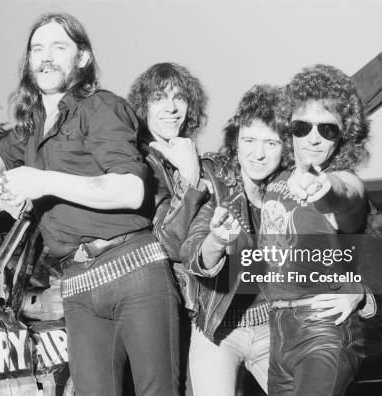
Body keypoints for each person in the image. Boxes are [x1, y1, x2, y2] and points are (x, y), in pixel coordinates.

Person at [0, 13, 179, 396]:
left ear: (82, 59)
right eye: (37, 49)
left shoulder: (101, 108)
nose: (46, 57)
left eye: (59, 47)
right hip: (76, 282)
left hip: (134, 272)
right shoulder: (32, 125)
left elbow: (130, 190)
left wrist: (41, 181)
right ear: (28, 61)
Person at [260, 64, 372, 396]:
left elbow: (347, 199)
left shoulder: (345, 179)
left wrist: (325, 190)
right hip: (279, 336)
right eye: (302, 126)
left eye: (328, 129)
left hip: (323, 331)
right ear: (288, 127)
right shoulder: (275, 180)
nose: (313, 137)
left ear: (343, 135)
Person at [179, 85, 286, 395]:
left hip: (273, 326)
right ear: (237, 140)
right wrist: (216, 239)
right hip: (219, 330)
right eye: (249, 140)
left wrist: (354, 290)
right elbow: (194, 253)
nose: (258, 153)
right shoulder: (216, 181)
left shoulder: (291, 188)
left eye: (271, 142)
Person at [128, 62, 209, 395]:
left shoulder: (177, 153)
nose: (172, 108)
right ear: (143, 105)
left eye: (180, 98)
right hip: (161, 302)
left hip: (191, 303)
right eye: (160, 98)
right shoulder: (143, 160)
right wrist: (191, 178)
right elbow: (169, 243)